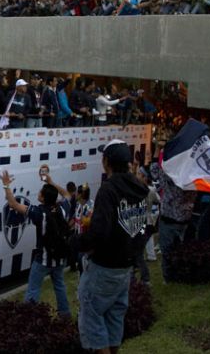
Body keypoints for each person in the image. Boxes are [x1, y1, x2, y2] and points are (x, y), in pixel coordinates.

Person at [76, 140, 148, 353]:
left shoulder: (108, 190)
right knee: (114, 319)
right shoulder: (139, 188)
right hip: (125, 268)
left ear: (106, 161)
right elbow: (142, 227)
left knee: (92, 319)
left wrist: (76, 243)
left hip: (104, 267)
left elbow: (99, 232)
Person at [0, 168, 72, 320]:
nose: (38, 193)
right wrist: (51, 183)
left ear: (44, 198)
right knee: (59, 286)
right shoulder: (62, 209)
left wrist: (6, 186)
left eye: (40, 192)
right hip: (60, 257)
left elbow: (13, 204)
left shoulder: (39, 213)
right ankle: (65, 315)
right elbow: (66, 194)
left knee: (33, 289)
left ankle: (28, 319)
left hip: (43, 260)